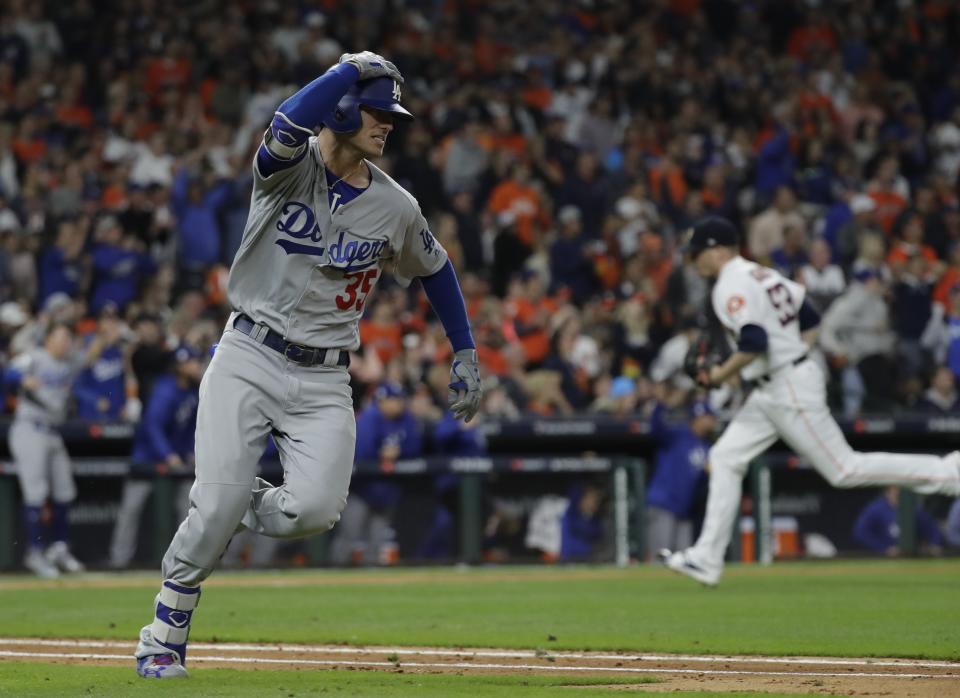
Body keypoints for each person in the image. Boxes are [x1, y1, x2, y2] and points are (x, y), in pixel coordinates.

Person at [134, 52, 482, 679]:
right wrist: (349, 71)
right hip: (247, 353)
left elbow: (436, 267)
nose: (388, 124)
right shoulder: (285, 171)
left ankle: (231, 503)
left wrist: (463, 348)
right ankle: (164, 630)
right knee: (211, 511)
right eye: (378, 111)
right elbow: (289, 123)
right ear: (344, 109)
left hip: (325, 375)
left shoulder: (395, 206)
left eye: (391, 114)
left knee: (314, 510)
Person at [659, 217, 960, 587]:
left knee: (845, 469)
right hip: (776, 384)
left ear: (718, 250)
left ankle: (949, 472)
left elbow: (755, 342)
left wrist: (721, 376)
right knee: (725, 457)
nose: (695, 261)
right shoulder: (761, 274)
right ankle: (706, 557)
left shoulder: (729, 284)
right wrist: (794, 356)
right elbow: (810, 317)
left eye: (699, 253)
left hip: (786, 386)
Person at [5, 323, 107, 578]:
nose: (63, 342)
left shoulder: (68, 363)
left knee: (64, 491)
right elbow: (7, 372)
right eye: (59, 336)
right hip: (29, 428)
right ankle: (35, 552)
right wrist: (22, 379)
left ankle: (58, 549)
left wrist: (104, 336)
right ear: (47, 339)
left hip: (52, 431)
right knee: (36, 494)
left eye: (67, 338)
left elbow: (89, 357)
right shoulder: (35, 357)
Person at [108, 346, 204, 569]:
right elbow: (152, 426)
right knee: (131, 509)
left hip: (177, 459)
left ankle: (183, 560)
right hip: (147, 458)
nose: (196, 366)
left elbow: (191, 428)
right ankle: (118, 561)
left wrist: (188, 453)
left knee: (188, 506)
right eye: (191, 362)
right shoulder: (166, 389)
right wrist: (168, 454)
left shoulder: (193, 391)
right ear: (180, 367)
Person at [330, 382, 423, 566]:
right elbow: (361, 452)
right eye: (393, 400)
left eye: (399, 400)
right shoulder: (370, 417)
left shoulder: (406, 418)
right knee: (349, 538)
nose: (397, 404)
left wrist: (399, 452)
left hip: (387, 491)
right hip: (360, 490)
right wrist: (382, 453)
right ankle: (332, 573)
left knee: (377, 542)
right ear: (382, 400)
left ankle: (369, 584)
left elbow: (415, 447)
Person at [646, 400, 713, 557]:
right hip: (664, 505)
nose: (712, 421)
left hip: (685, 510)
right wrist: (660, 403)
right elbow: (656, 429)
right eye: (708, 417)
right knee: (661, 558)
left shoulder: (706, 446)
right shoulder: (678, 434)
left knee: (684, 560)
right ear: (698, 418)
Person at [852, 487, 943, 556]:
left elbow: (932, 530)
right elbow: (860, 532)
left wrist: (934, 545)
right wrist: (884, 548)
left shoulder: (913, 508)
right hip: (883, 558)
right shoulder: (876, 509)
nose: (898, 492)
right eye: (895, 489)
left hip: (913, 557)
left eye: (901, 489)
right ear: (888, 491)